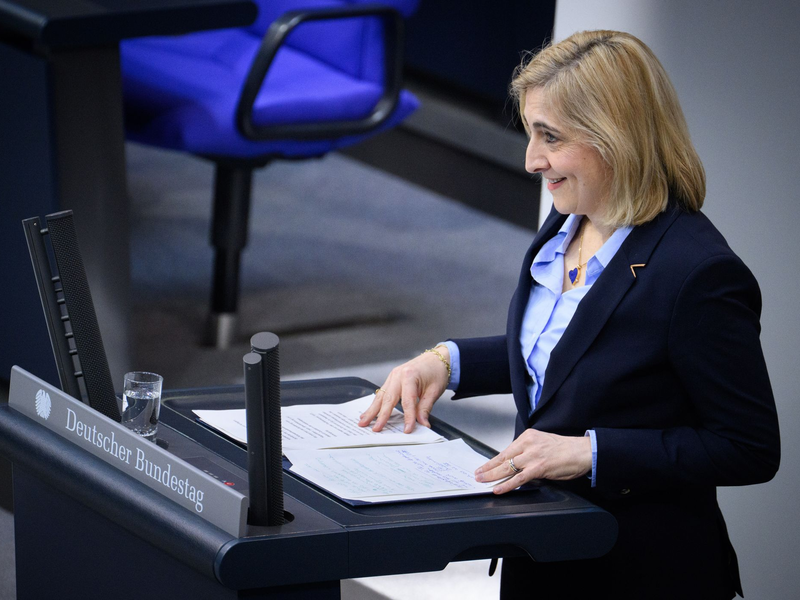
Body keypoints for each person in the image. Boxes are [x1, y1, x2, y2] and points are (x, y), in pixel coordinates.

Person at [358, 30, 780, 599]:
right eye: (531, 132)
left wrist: (589, 451)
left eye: (549, 136)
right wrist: (448, 362)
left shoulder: (698, 273)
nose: (532, 160)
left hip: (639, 570)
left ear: (616, 135)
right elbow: (569, 354)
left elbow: (748, 446)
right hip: (543, 552)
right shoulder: (569, 221)